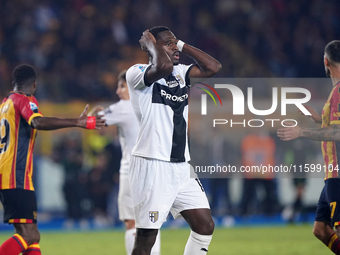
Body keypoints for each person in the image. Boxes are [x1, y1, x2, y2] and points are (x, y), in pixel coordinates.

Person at [126, 26, 222, 255]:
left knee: (205, 225)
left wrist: (180, 45)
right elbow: (162, 66)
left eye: (175, 42)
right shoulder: (137, 72)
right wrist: (152, 45)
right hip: (152, 163)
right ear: (153, 46)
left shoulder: (180, 73)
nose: (175, 46)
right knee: (146, 237)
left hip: (180, 166)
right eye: (168, 43)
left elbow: (213, 67)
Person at [0, 64, 105, 255]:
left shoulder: (5, 104)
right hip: (17, 176)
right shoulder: (25, 100)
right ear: (34, 85)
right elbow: (37, 122)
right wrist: (76, 122)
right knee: (29, 235)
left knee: (31, 236)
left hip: (9, 175)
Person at [277, 40, 340, 254]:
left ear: (325, 61)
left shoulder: (338, 93)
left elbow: (337, 133)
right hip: (332, 173)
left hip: (337, 172)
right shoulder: (335, 92)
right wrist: (318, 118)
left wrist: (301, 132)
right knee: (321, 229)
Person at [90, 70, 161, 254]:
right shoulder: (151, 104)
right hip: (153, 170)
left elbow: (94, 122)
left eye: (122, 86)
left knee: (132, 222)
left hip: (132, 170)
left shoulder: (124, 106)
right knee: (152, 220)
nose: (118, 91)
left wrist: (96, 110)